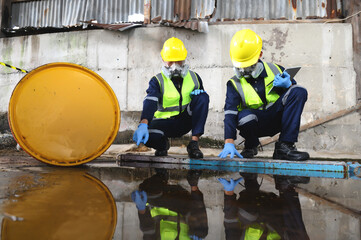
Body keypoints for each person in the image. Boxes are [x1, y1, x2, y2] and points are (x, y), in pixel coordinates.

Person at [218, 29, 309, 161]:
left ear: (259, 55)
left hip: (277, 118)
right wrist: (229, 142)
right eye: (240, 66)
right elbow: (230, 113)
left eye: (248, 65)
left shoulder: (276, 70)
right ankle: (251, 145)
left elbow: (295, 96)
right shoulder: (234, 83)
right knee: (244, 116)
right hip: (254, 124)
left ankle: (284, 146)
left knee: (299, 91)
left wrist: (288, 85)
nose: (244, 71)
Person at [133, 37, 209, 159]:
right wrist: (144, 123)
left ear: (184, 59)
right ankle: (162, 146)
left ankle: (194, 144)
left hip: (184, 121)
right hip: (162, 123)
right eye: (170, 62)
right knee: (147, 136)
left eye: (178, 61)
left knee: (202, 97)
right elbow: (150, 101)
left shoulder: (194, 78)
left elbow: (201, 105)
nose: (175, 66)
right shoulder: (157, 80)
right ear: (163, 59)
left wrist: (199, 96)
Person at [218, 173, 310, 240]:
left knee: (248, 214)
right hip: (275, 210)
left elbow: (230, 222)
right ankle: (287, 185)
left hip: (252, 209)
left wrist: (229, 193)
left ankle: (250, 178)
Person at [131, 169, 208, 239]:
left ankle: (161, 174)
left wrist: (141, 209)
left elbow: (148, 230)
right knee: (200, 231)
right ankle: (193, 181)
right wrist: (199, 232)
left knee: (146, 191)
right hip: (182, 204)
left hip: (159, 200)